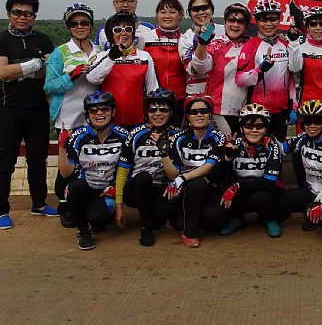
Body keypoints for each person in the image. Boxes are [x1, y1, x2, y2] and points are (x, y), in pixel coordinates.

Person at [0, 0, 56, 229]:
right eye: (17, 12)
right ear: (9, 13)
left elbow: (51, 70)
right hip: (9, 110)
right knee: (5, 163)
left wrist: (16, 71)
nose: (22, 17)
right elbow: (1, 72)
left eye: (28, 13)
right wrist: (34, 65)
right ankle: (1, 211)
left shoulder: (43, 39)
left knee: (38, 160)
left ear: (34, 16)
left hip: (38, 108)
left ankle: (39, 204)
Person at [45, 3, 101, 227]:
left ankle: (88, 203)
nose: (79, 26)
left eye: (84, 22)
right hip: (68, 119)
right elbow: (49, 85)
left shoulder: (99, 50)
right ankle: (65, 205)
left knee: (90, 162)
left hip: (95, 118)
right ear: (68, 26)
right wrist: (71, 76)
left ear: (90, 25)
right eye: (74, 23)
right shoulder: (60, 52)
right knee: (67, 165)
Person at [60, 91, 128, 250]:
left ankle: (98, 217)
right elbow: (65, 173)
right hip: (84, 186)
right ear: (88, 115)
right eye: (93, 110)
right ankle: (82, 230)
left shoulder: (123, 136)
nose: (99, 113)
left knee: (97, 219)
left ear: (113, 112)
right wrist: (62, 146)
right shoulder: (79, 136)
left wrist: (115, 188)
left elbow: (128, 169)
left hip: (106, 190)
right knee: (76, 187)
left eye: (104, 109)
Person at [114, 88, 179, 247]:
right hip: (136, 188)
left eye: (163, 109)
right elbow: (122, 172)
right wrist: (119, 206)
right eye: (153, 109)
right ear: (147, 112)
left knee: (165, 210)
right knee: (144, 178)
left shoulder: (177, 136)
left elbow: (174, 176)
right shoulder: (135, 134)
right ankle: (146, 227)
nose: (158, 114)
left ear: (171, 112)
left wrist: (163, 152)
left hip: (162, 187)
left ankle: (157, 216)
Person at [162, 94, 226, 248]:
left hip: (210, 186)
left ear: (210, 114)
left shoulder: (218, 137)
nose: (199, 115)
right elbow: (173, 174)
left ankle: (194, 218)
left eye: (203, 111)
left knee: (213, 218)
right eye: (194, 112)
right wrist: (163, 154)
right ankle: (189, 232)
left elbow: (209, 166)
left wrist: (182, 178)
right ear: (187, 116)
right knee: (164, 208)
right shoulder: (178, 138)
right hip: (185, 188)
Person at [216, 104, 284, 239]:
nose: (254, 130)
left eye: (259, 126)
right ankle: (236, 218)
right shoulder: (234, 144)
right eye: (248, 126)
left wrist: (238, 186)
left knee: (261, 197)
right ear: (241, 128)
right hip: (242, 188)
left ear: (265, 129)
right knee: (223, 188)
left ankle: (269, 219)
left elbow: (270, 182)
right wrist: (227, 158)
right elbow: (217, 177)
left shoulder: (271, 146)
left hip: (265, 189)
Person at [235, 0, 297, 141]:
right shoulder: (250, 46)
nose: (268, 24)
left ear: (279, 20)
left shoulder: (285, 44)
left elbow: (291, 80)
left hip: (281, 110)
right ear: (257, 22)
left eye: (273, 19)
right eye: (263, 19)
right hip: (258, 111)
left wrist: (294, 107)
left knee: (278, 149)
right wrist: (260, 70)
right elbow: (239, 80)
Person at [86, 12, 159, 129]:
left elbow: (152, 90)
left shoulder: (144, 57)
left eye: (128, 29)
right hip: (108, 124)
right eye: (117, 30)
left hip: (137, 122)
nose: (123, 33)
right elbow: (92, 78)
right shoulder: (102, 56)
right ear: (111, 34)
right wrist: (111, 58)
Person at [278, 100, 322, 233]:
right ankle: (310, 210)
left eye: (317, 121)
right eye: (307, 121)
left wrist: (319, 201)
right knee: (282, 202)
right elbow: (282, 149)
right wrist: (265, 139)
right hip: (312, 189)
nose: (312, 126)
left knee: (319, 218)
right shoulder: (303, 138)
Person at [189, 2, 252, 136]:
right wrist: (202, 44)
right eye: (231, 20)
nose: (235, 25)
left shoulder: (251, 45)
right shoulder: (217, 44)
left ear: (246, 26)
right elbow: (200, 67)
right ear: (225, 22)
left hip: (243, 113)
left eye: (240, 21)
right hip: (218, 111)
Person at [287, 6, 322, 123]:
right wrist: (293, 41)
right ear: (307, 28)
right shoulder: (301, 48)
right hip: (307, 105)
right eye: (313, 24)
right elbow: (294, 68)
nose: (318, 28)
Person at [137, 0, 187, 126]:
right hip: (151, 100)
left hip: (178, 99)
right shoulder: (144, 38)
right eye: (163, 12)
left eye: (172, 12)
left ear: (180, 15)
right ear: (157, 15)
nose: (167, 16)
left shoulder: (185, 39)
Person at [179, 0, 226, 95]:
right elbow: (195, 70)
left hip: (223, 91)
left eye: (205, 8)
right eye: (195, 9)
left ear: (212, 9)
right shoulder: (186, 38)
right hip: (197, 94)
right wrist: (202, 42)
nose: (201, 12)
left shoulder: (225, 31)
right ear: (190, 13)